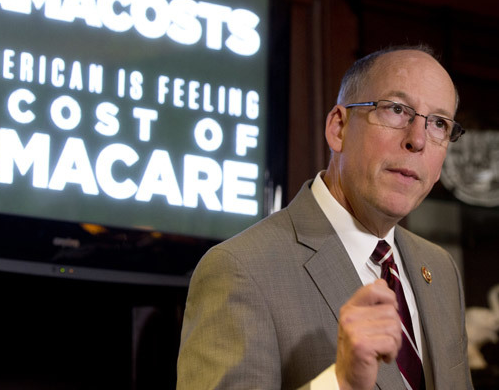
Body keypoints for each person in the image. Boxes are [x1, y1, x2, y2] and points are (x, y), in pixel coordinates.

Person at [176, 46, 474, 389]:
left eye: (438, 123)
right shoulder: (240, 268)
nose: (418, 139)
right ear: (338, 128)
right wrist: (341, 381)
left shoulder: (439, 267)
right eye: (396, 110)